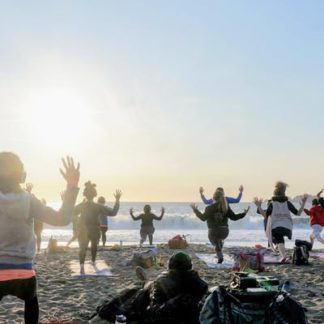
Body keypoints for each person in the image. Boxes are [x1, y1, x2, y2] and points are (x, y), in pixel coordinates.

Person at [0, 153, 80, 324]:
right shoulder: (29, 200)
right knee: (31, 301)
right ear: (21, 175)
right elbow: (62, 219)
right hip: (24, 271)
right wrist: (72, 186)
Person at [191, 187, 249, 263]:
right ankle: (219, 249)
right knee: (219, 240)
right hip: (224, 232)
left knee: (214, 242)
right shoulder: (226, 207)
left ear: (213, 198)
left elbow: (203, 218)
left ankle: (218, 249)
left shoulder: (209, 208)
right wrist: (244, 214)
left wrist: (195, 210)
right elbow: (234, 217)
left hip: (213, 232)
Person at [74, 181, 121, 273]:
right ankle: (93, 261)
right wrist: (117, 200)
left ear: (85, 194)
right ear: (94, 195)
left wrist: (65, 201)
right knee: (94, 246)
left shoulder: (81, 205)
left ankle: (82, 265)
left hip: (83, 230)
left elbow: (70, 213)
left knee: (82, 248)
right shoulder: (98, 206)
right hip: (95, 230)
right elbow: (113, 212)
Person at [254, 181, 307, 263]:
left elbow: (265, 215)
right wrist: (303, 204)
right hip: (287, 226)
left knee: (278, 238)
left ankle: (283, 255)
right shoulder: (287, 203)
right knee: (280, 238)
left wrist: (258, 206)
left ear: (274, 194)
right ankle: (282, 255)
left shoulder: (272, 204)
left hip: (276, 226)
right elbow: (298, 213)